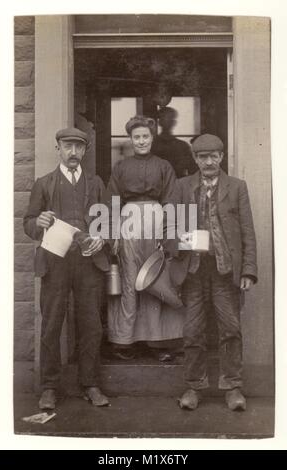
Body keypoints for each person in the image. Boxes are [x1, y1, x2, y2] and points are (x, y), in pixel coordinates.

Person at [168, 133, 257, 411]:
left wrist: (248, 271)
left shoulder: (237, 187)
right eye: (202, 156)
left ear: (221, 157)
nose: (208, 161)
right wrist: (180, 243)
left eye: (213, 156)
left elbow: (247, 232)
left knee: (230, 329)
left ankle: (233, 387)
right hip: (193, 271)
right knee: (193, 331)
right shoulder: (182, 187)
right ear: (195, 159)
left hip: (225, 272)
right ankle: (194, 387)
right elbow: (168, 226)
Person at [23, 127, 110, 410]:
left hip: (87, 263)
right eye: (67, 146)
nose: (73, 152)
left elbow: (107, 221)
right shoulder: (44, 183)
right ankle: (49, 387)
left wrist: (101, 238)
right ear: (57, 149)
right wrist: (39, 222)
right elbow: (28, 222)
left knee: (91, 325)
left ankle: (91, 384)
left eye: (78, 147)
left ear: (84, 151)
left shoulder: (96, 183)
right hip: (55, 262)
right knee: (51, 324)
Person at [107, 115, 184, 361]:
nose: (141, 141)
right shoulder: (120, 167)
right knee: (130, 280)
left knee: (154, 278)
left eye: (145, 137)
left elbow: (171, 199)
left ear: (152, 138)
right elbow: (112, 200)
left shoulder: (164, 166)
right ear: (130, 139)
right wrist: (113, 232)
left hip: (155, 219)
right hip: (128, 220)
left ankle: (158, 342)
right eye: (136, 137)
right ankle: (125, 341)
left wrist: (167, 233)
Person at [151, 106, 197, 178]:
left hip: (178, 185)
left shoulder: (182, 146)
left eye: (171, 118)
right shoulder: (151, 145)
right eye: (164, 118)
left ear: (174, 122)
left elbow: (193, 171)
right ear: (159, 122)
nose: (168, 121)